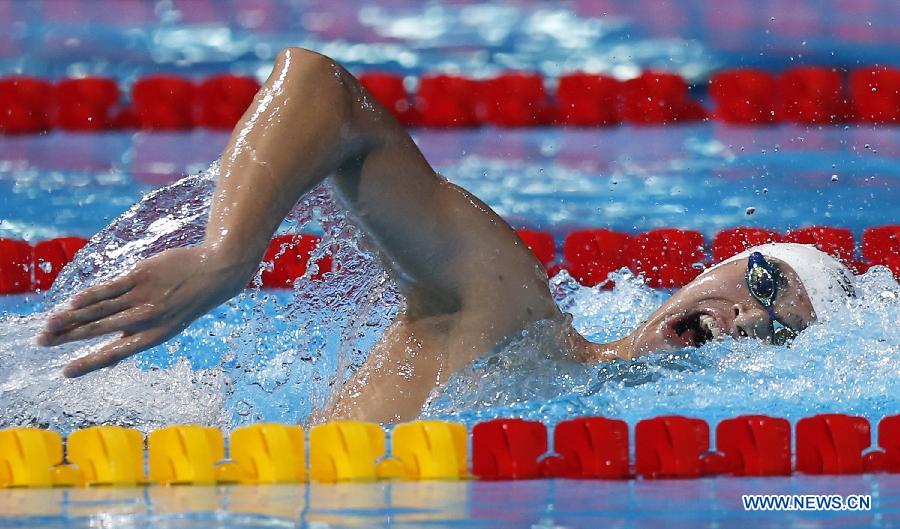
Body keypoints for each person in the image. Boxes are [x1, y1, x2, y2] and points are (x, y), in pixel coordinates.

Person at [35, 48, 856, 423]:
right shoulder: (509, 314)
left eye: (783, 333)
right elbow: (323, 87)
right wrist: (229, 251)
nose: (752, 320)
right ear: (706, 271)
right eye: (762, 283)